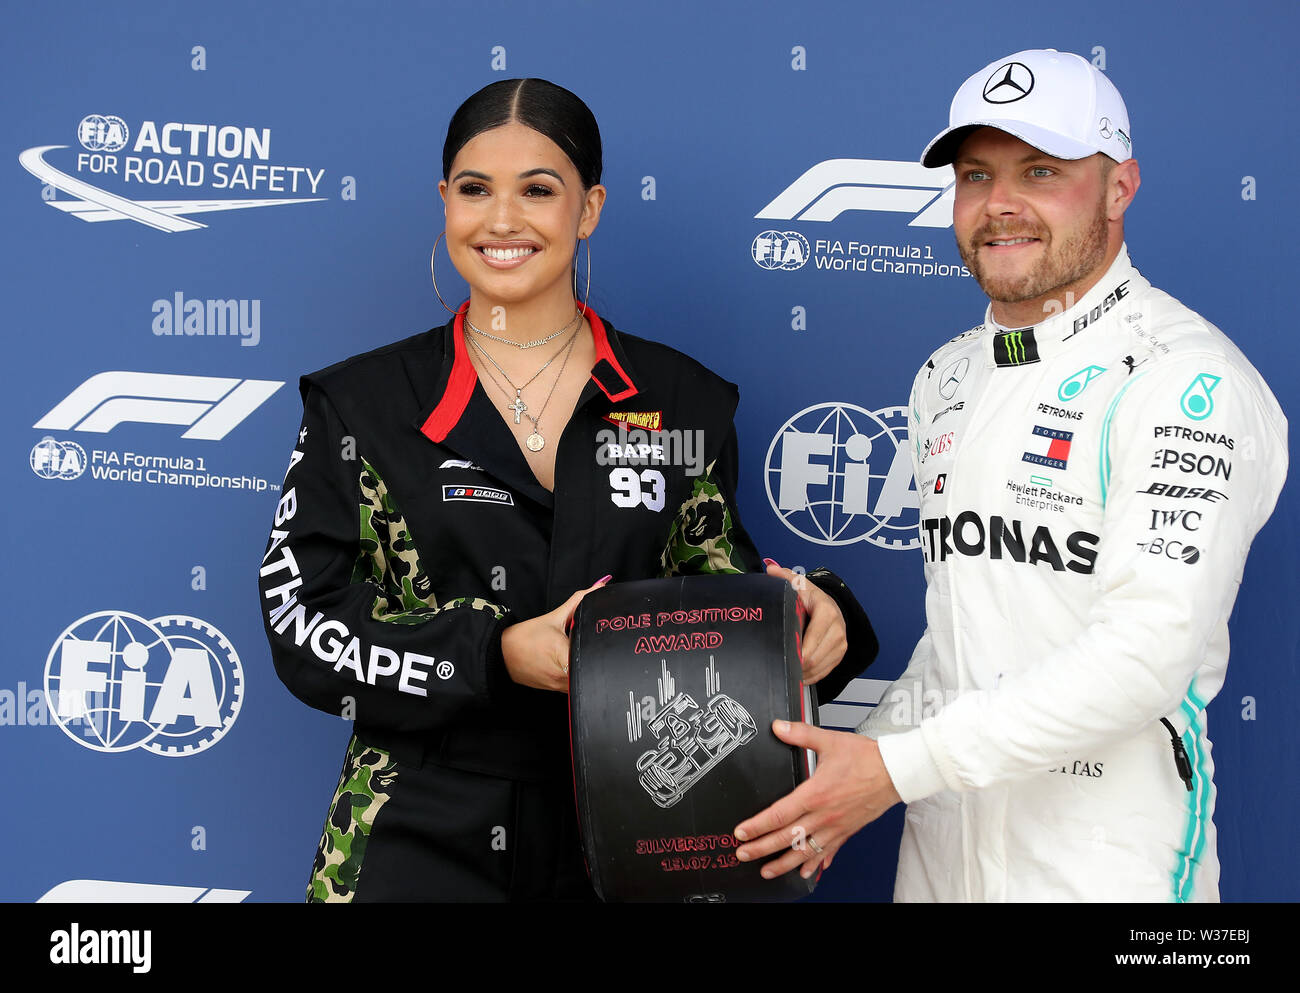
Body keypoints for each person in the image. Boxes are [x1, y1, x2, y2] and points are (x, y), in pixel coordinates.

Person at [257, 77, 873, 902]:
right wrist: (496, 652)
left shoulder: (680, 398)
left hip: (642, 821)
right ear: (445, 203)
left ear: (588, 210)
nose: (503, 220)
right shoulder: (361, 404)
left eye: (539, 190)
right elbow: (306, 625)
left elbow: (716, 597)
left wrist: (813, 612)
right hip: (416, 819)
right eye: (475, 190)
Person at [733, 49, 1287, 901]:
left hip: (1107, 869)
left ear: (1119, 187)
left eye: (1041, 171)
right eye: (975, 175)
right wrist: (837, 775)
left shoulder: (1186, 380)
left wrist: (891, 768)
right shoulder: (947, 377)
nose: (1000, 205)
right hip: (941, 860)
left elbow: (1146, 656)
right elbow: (961, 643)